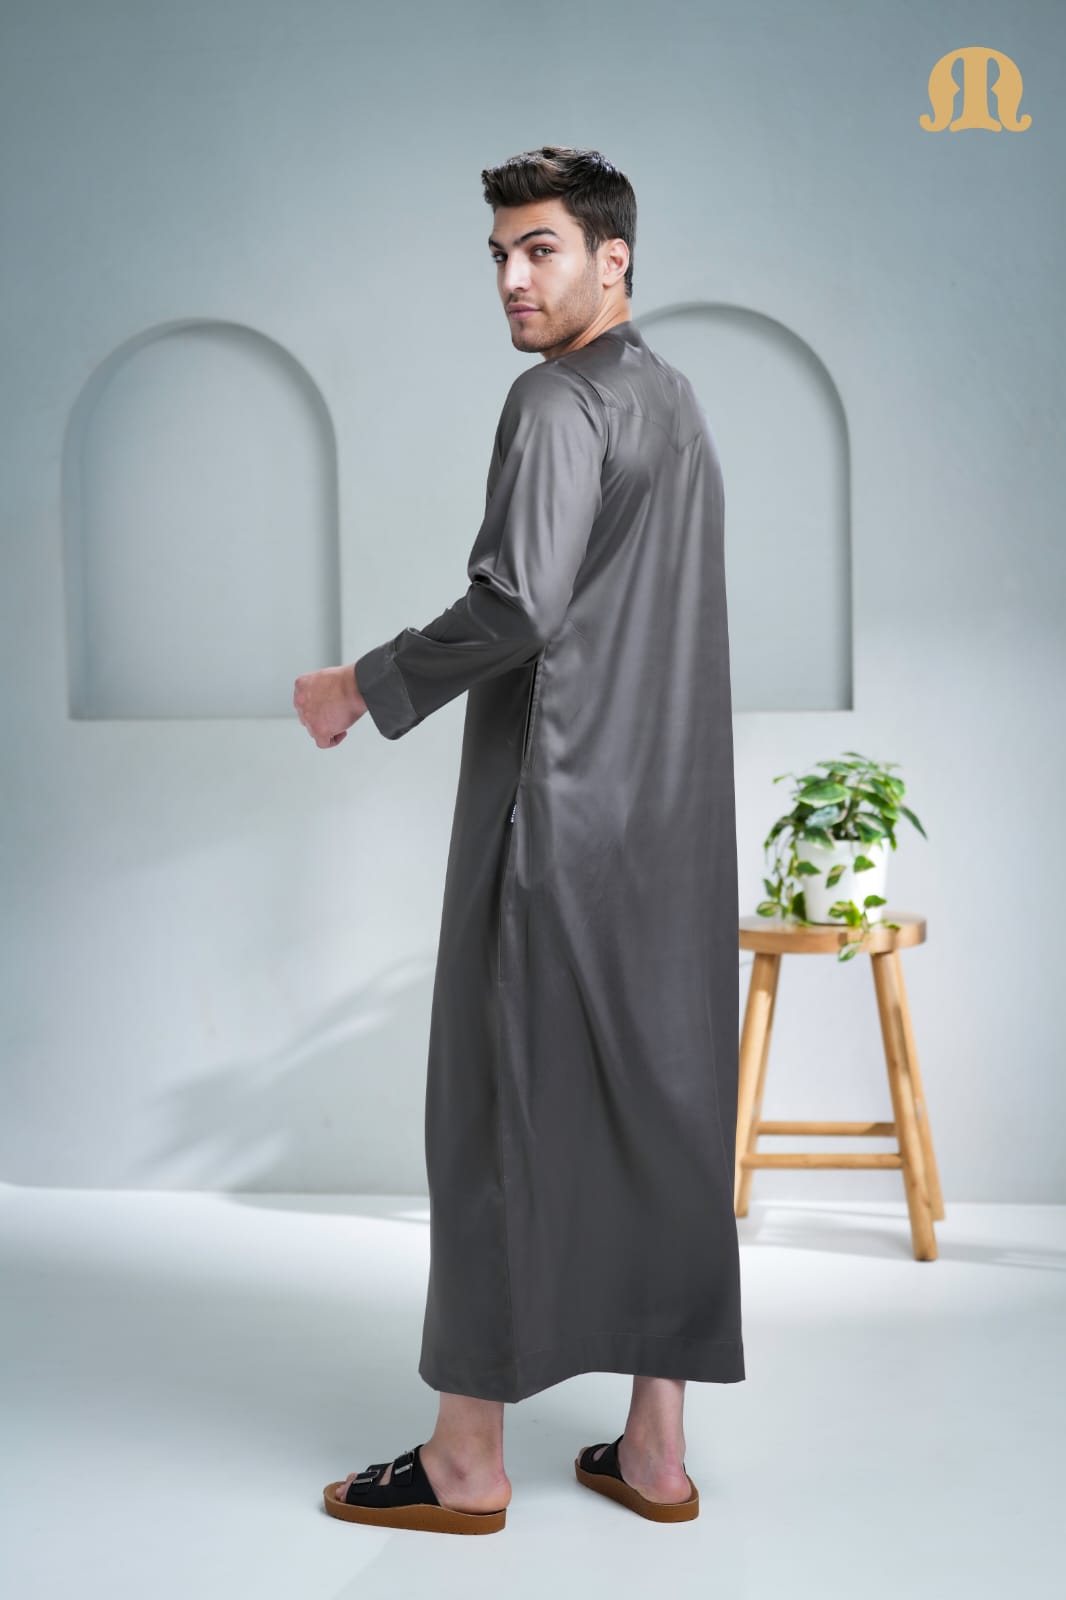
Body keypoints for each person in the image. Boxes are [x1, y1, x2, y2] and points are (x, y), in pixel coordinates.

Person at [295, 145, 744, 1535]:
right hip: (670, 826)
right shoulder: (673, 398)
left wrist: (360, 684)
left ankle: (465, 1460)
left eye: (539, 249)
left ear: (613, 257)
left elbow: (518, 607)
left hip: (551, 817)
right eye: (499, 253)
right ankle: (655, 1453)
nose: (511, 277)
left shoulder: (554, 400)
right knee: (665, 1114)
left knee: (495, 1111)